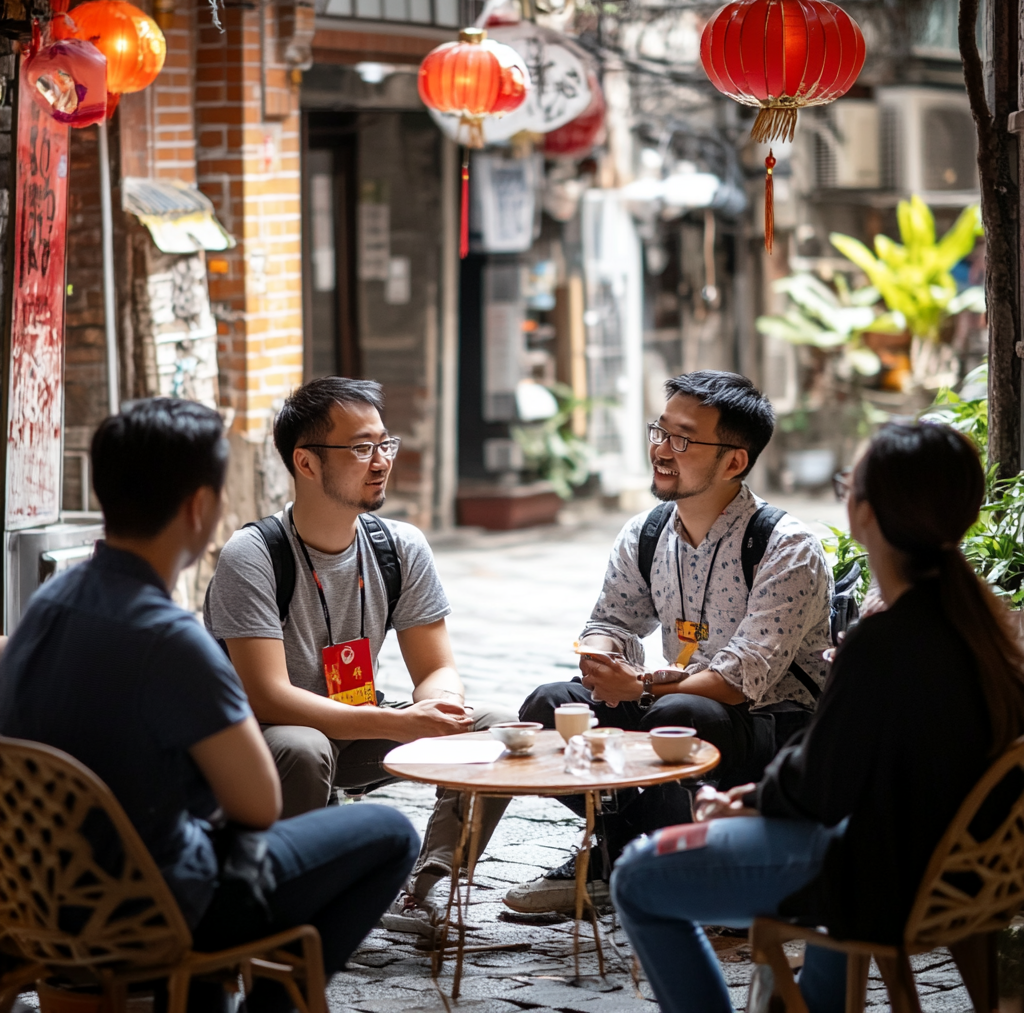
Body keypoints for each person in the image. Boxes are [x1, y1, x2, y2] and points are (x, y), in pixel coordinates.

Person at [0, 398, 420, 1011]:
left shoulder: (50, 603)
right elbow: (257, 803)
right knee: (388, 832)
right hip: (148, 907)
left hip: (36, 896)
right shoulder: (171, 639)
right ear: (200, 507)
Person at [611, 420, 1024, 1013]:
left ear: (867, 515)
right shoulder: (985, 624)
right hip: (959, 875)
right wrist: (757, 798)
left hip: (880, 879)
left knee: (637, 876)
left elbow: (821, 788)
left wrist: (746, 801)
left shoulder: (886, 638)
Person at [509, 370, 833, 914]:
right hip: (669, 704)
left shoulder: (786, 547)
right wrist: (601, 656)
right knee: (550, 707)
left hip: (768, 732)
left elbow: (737, 680)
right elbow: (612, 618)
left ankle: (644, 866)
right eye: (659, 431)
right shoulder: (647, 532)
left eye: (683, 439)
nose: (661, 448)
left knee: (685, 712)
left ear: (734, 461)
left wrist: (637, 692)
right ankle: (620, 850)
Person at [204, 377, 515, 939]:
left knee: (494, 727)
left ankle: (429, 886)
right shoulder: (252, 555)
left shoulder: (399, 546)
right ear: (306, 462)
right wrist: (397, 722)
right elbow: (268, 697)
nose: (381, 462)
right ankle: (293, 898)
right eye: (360, 448)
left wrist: (440, 704)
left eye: (384, 444)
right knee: (303, 746)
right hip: (272, 741)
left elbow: (436, 666)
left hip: (362, 724)